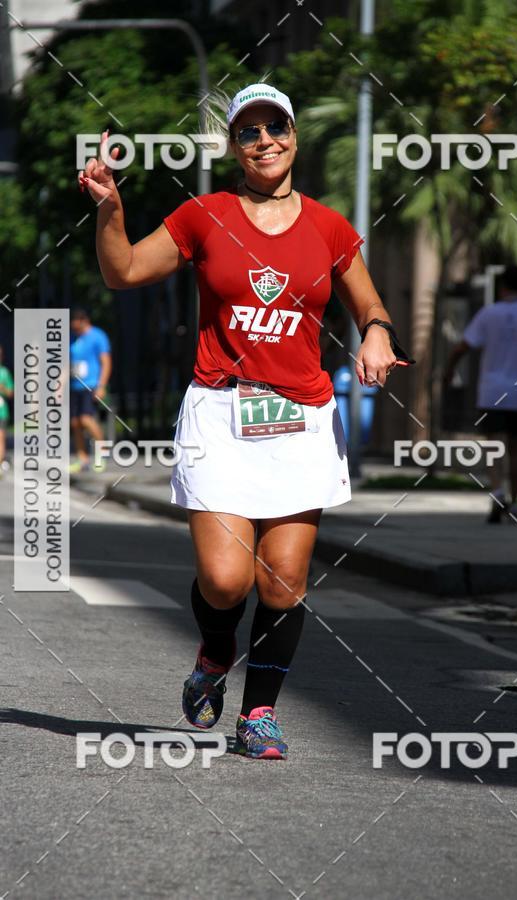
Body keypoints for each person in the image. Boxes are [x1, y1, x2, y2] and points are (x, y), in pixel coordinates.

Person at [79, 82, 407, 760]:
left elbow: (370, 305)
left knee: (283, 580)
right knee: (227, 580)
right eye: (249, 132)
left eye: (275, 127)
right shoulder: (205, 215)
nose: (265, 141)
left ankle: (259, 713)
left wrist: (377, 334)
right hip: (220, 412)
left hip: (302, 417)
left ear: (293, 134)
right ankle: (213, 654)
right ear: (234, 146)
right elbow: (125, 271)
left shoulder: (330, 227)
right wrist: (111, 208)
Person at [443, 264, 517, 524]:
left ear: (502, 287)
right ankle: (515, 502)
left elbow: (462, 347)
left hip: (492, 391)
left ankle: (498, 494)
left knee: (494, 445)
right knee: (516, 447)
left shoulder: (488, 314)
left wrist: (449, 370)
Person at [69, 308, 112, 473]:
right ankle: (83, 459)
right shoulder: (73, 338)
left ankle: (102, 453)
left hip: (91, 384)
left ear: (84, 321)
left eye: (77, 326)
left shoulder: (98, 336)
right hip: (75, 385)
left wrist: (101, 385)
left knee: (86, 419)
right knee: (75, 422)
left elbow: (106, 362)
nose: (75, 330)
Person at [0, 345, 14, 472]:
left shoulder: (4, 372)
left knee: (1, 437)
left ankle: (1, 461)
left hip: (2, 411)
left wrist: (2, 388)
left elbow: (10, 393)